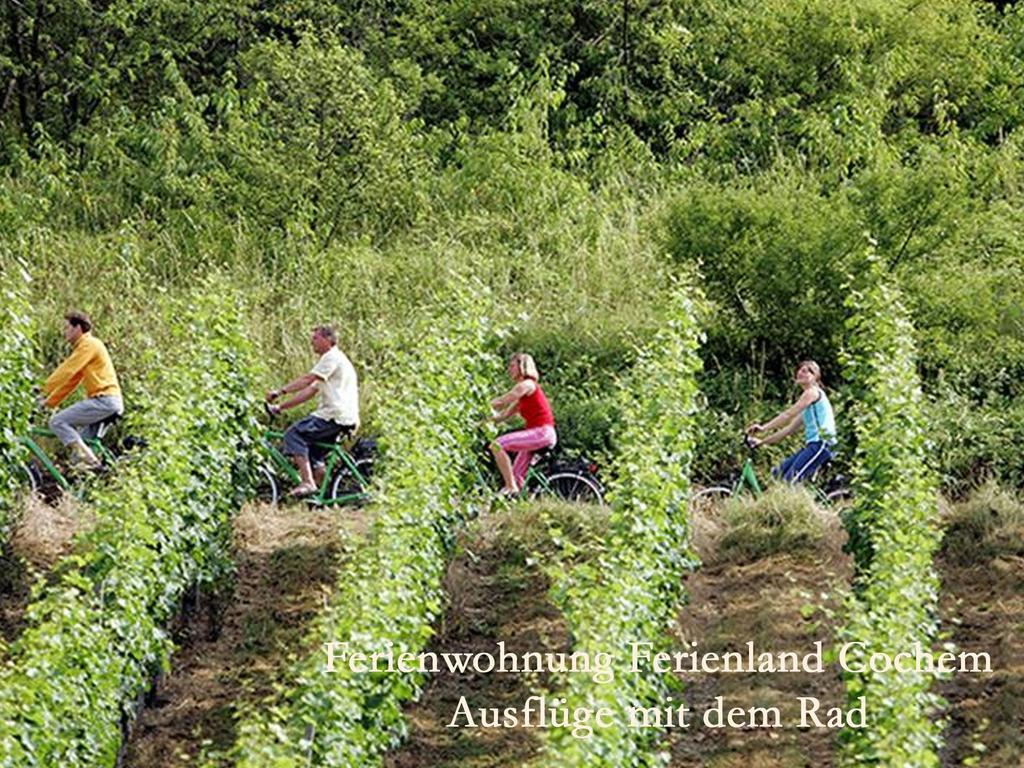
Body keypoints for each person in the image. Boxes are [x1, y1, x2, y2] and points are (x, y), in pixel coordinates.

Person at [266, 325, 359, 497]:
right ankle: (322, 496)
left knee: (293, 434)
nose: (311, 342)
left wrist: (279, 392)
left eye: (315, 338)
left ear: (328, 340)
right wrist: (280, 407)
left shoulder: (332, 358)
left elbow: (308, 380)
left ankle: (308, 483)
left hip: (334, 416)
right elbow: (310, 391)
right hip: (342, 416)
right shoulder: (334, 361)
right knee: (314, 454)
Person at [41, 311, 124, 470]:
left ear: (78, 328)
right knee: (77, 460)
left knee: (57, 421)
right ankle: (88, 485)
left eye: (67, 328)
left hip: (104, 400)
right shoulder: (86, 348)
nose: (64, 332)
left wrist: (41, 390)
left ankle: (94, 463)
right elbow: (70, 382)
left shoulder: (89, 344)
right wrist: (48, 403)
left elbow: (67, 370)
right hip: (108, 402)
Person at [746, 359, 837, 483]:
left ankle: (798, 502)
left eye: (805, 371)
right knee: (777, 474)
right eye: (799, 370)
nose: (800, 373)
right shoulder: (809, 408)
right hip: (813, 445)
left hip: (822, 444)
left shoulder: (812, 393)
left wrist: (763, 428)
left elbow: (787, 415)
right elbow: (787, 430)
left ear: (814, 376)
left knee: (791, 480)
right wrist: (761, 442)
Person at [489, 353, 557, 496]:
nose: (509, 369)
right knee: (516, 475)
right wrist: (481, 422)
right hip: (539, 434)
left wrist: (479, 405)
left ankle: (510, 486)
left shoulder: (527, 385)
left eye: (512, 366)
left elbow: (504, 400)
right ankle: (517, 504)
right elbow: (503, 416)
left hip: (542, 432)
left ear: (522, 366)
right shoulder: (524, 397)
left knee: (497, 445)